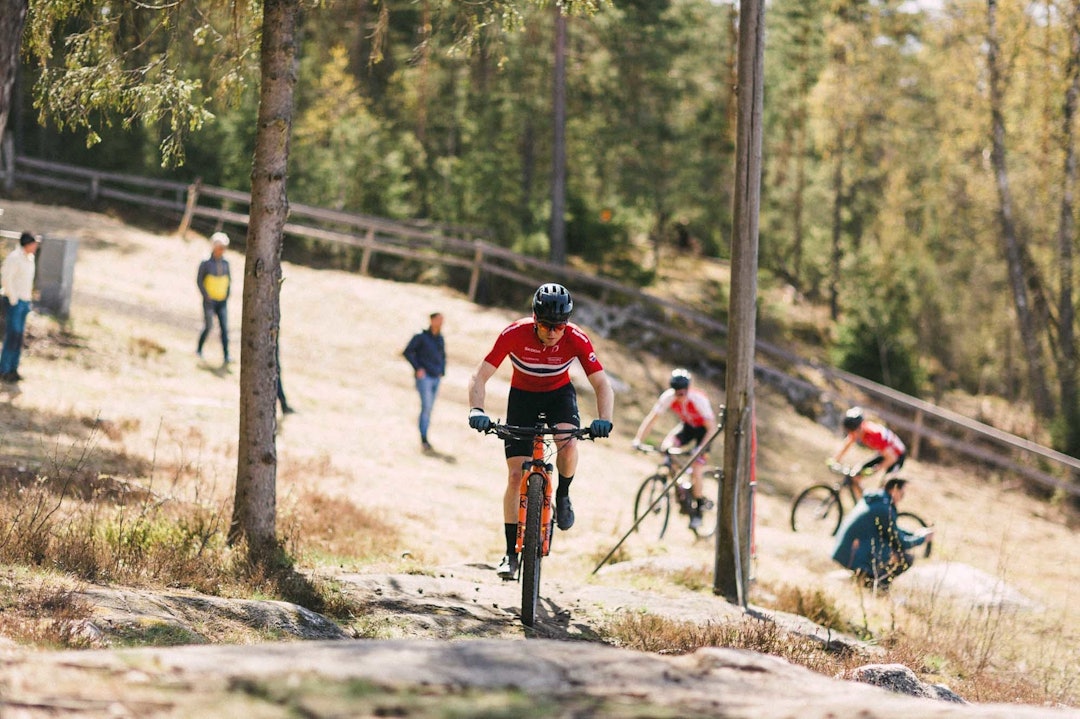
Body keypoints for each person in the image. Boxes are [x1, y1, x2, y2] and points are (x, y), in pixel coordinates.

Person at [467, 283, 614, 580]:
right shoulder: (514, 334)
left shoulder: (577, 339)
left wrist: (604, 418)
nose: (553, 332)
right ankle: (510, 554)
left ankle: (563, 494)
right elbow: (479, 376)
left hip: (559, 395)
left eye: (560, 326)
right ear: (535, 319)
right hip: (523, 397)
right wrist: (477, 410)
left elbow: (602, 384)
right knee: (513, 475)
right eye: (546, 325)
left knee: (568, 442)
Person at [631, 368, 718, 530]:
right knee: (667, 448)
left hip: (704, 432)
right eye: (677, 393)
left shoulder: (698, 399)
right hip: (687, 428)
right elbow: (652, 418)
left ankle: (698, 509)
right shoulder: (668, 397)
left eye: (683, 392)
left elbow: (711, 428)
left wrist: (700, 449)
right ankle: (680, 486)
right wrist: (638, 439)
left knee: (697, 468)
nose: (680, 396)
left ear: (688, 389)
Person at [831, 477, 933, 590]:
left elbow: (893, 530)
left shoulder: (877, 499)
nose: (903, 496)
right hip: (853, 554)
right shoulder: (884, 509)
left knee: (891, 549)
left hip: (846, 549)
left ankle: (869, 579)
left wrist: (914, 534)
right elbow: (900, 542)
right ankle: (876, 586)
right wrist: (922, 538)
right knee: (905, 558)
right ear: (894, 490)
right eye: (902, 492)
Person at [831, 406, 906, 499]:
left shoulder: (874, 435)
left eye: (852, 431)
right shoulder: (857, 430)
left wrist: (874, 470)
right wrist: (835, 459)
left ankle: (884, 509)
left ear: (859, 427)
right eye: (849, 431)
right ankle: (864, 503)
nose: (851, 434)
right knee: (855, 475)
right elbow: (847, 445)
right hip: (884, 453)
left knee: (885, 490)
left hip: (897, 456)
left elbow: (892, 458)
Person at [0, 232, 40, 383]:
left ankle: (13, 369)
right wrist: (13, 299)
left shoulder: (30, 259)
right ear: (27, 244)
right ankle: (3, 369)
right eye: (34, 244)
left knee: (18, 338)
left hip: (24, 302)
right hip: (14, 302)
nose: (36, 247)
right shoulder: (14, 258)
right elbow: (6, 278)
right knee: (12, 336)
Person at [403, 312, 446, 452]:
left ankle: (425, 437)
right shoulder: (421, 337)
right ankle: (424, 439)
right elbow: (407, 352)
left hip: (436, 377)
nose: (440, 323)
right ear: (432, 320)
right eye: (438, 320)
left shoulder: (440, 339)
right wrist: (418, 368)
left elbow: (443, 356)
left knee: (429, 409)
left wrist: (442, 371)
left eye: (442, 320)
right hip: (425, 378)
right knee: (426, 408)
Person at [196, 232, 232, 365]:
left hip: (222, 301)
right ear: (214, 247)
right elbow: (199, 281)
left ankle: (226, 355)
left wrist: (227, 295)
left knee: (224, 328)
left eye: (224, 247)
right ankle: (199, 349)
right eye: (220, 247)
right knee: (209, 326)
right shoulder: (205, 263)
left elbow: (229, 280)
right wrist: (206, 296)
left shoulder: (226, 263)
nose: (222, 250)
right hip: (209, 301)